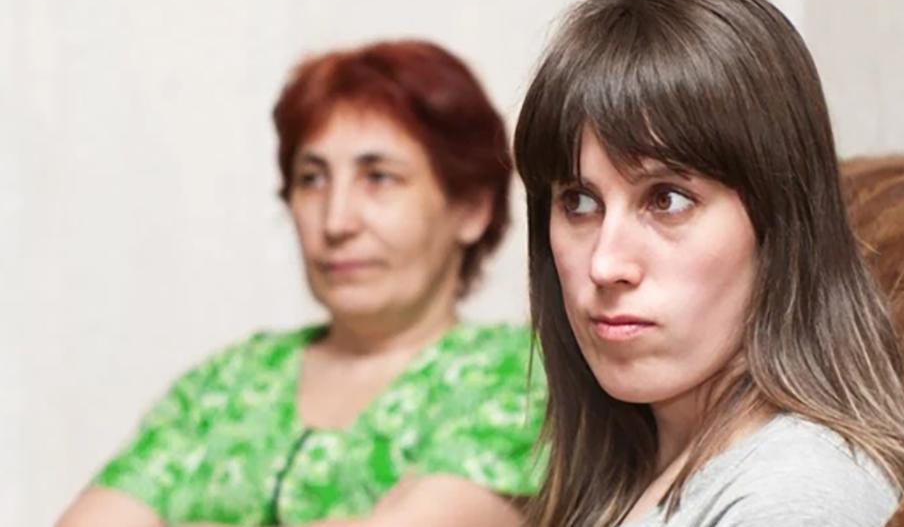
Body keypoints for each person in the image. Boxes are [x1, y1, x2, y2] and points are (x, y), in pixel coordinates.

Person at [57, 40, 545, 527]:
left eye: (378, 177)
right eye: (312, 179)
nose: (336, 221)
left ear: (471, 209)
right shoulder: (228, 383)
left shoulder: (518, 376)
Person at [512, 0, 904, 527]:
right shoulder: (632, 475)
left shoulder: (795, 498)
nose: (605, 264)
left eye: (667, 199)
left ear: (779, 222)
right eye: (580, 202)